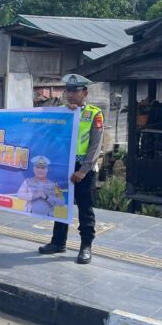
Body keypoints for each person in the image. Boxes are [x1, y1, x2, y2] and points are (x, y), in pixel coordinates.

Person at [38, 74, 104, 265]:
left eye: (75, 91)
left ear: (85, 93)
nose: (71, 94)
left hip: (84, 169)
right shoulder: (61, 112)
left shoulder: (94, 113)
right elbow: (48, 133)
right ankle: (58, 242)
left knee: (85, 208)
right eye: (68, 90)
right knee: (60, 204)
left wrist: (83, 170)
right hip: (63, 166)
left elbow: (95, 145)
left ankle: (86, 246)